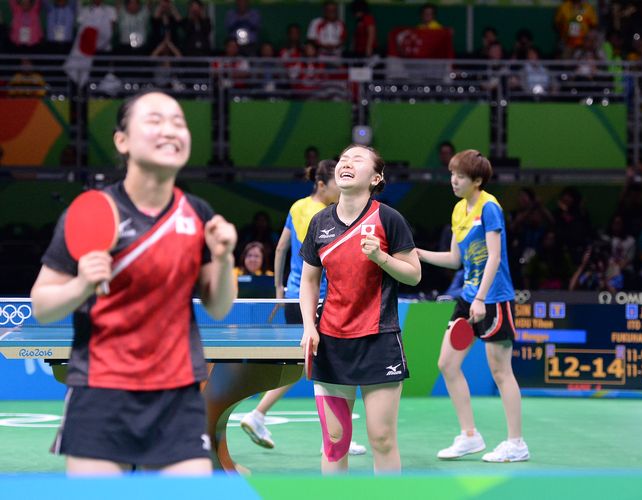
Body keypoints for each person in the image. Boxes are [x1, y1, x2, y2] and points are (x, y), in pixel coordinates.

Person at [30, 90, 238, 475]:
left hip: (177, 391)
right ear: (122, 141)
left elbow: (219, 305)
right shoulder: (93, 211)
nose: (171, 130)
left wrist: (224, 259)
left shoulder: (197, 214)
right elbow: (42, 305)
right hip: (101, 390)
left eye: (179, 122)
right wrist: (81, 286)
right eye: (155, 120)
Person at [300, 145, 421, 474]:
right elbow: (309, 281)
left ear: (376, 177)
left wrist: (381, 258)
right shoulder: (319, 223)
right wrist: (309, 327)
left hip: (378, 340)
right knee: (335, 441)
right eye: (342, 159)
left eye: (357, 159)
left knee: (382, 438)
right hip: (331, 342)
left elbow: (413, 274)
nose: (346, 163)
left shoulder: (388, 219)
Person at [240, 160, 365, 456]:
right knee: (332, 372)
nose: (341, 186)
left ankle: (258, 415)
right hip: (320, 300)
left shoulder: (296, 207)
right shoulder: (328, 215)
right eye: (337, 181)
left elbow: (281, 248)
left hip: (295, 298)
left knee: (302, 366)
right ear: (322, 184)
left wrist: (280, 290)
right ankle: (335, 436)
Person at [416, 150, 529, 463]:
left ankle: (516, 443)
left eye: (461, 176)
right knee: (447, 364)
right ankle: (469, 435)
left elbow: (494, 256)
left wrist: (481, 298)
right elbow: (456, 259)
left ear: (477, 181)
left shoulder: (489, 207)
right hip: (468, 297)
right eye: (452, 174)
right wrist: (419, 254)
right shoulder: (457, 210)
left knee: (501, 371)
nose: (454, 180)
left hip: (493, 298)